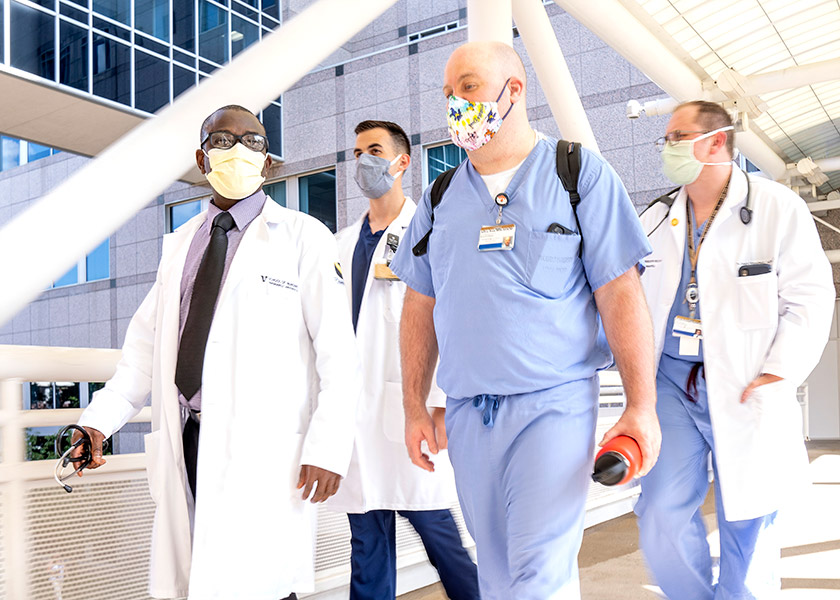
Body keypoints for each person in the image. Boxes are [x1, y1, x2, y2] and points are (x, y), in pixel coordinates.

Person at [389, 41, 661, 599]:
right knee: (497, 574)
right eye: (448, 93)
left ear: (514, 90)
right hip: (468, 414)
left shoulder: (576, 173)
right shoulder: (440, 197)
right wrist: (415, 405)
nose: (456, 103)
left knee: (538, 573)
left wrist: (641, 405)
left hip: (553, 406)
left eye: (468, 86)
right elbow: (420, 303)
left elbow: (620, 292)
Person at [72, 105, 362, 600]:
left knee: (265, 586)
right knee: (201, 581)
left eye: (253, 141)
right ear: (202, 159)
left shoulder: (304, 236)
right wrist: (97, 423)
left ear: (268, 161)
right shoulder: (180, 246)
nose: (239, 150)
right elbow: (142, 355)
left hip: (265, 448)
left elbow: (339, 354)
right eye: (223, 140)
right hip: (188, 438)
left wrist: (328, 448)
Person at [635, 100, 835, 599]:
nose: (667, 148)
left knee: (749, 516)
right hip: (671, 383)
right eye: (666, 139)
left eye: (677, 138)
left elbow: (810, 296)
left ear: (717, 141)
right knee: (660, 512)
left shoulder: (775, 207)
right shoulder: (656, 216)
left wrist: (781, 371)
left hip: (748, 381)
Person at [329, 120, 479, 600]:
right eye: (357, 153)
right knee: (366, 546)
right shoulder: (340, 244)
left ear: (402, 162)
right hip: (357, 419)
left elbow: (454, 323)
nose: (363, 162)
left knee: (441, 539)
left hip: (409, 410)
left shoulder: (431, 232)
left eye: (375, 150)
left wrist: (440, 403)